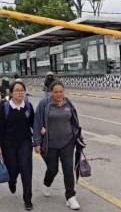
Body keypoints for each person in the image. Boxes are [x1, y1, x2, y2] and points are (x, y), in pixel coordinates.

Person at [34, 80, 82, 210]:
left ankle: (70, 197)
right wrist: (37, 142)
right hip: (50, 144)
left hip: (67, 143)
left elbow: (74, 120)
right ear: (51, 92)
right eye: (56, 92)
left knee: (68, 169)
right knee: (53, 169)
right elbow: (37, 122)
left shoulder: (68, 102)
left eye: (61, 91)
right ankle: (46, 183)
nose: (59, 94)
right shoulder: (45, 103)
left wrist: (77, 135)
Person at [0, 81, 35, 211]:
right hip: (8, 144)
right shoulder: (5, 107)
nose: (19, 92)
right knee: (12, 170)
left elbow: (34, 124)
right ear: (11, 93)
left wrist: (41, 132)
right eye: (17, 90)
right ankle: (12, 181)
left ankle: (27, 199)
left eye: (22, 90)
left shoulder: (28, 106)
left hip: (25, 142)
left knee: (26, 170)